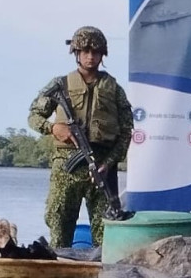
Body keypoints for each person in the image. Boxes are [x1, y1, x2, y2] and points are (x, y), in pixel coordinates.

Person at [27, 26, 135, 248]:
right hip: (67, 166)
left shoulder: (113, 89)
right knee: (59, 225)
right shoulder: (61, 85)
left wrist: (109, 162)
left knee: (106, 232)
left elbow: (126, 132)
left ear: (102, 55)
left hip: (102, 167)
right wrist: (53, 128)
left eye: (95, 52)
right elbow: (34, 115)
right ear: (76, 53)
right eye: (85, 51)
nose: (90, 56)